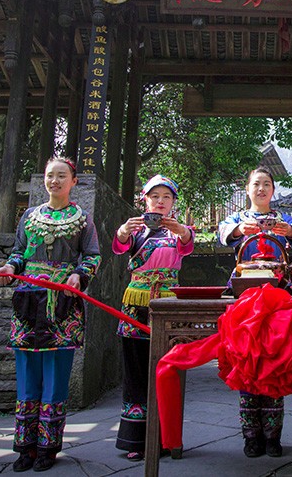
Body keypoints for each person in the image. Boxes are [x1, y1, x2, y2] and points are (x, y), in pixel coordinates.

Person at [0, 157, 101, 472]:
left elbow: (93, 255)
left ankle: (47, 447)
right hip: (28, 301)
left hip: (62, 305)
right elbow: (17, 252)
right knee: (28, 375)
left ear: (73, 181)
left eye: (61, 176)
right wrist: (10, 267)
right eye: (50, 176)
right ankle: (24, 446)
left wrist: (78, 275)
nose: (54, 181)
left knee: (55, 377)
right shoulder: (29, 216)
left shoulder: (82, 220)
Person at [218, 166, 292, 458]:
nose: (261, 189)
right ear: (247, 189)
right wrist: (238, 231)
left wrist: (290, 231)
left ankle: (273, 436)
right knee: (246, 361)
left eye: (266, 184)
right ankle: (251, 436)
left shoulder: (281, 219)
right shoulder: (238, 220)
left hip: (278, 299)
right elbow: (222, 234)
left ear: (273, 189)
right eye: (256, 184)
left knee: (276, 361)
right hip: (245, 300)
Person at [112, 174, 194, 462]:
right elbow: (119, 246)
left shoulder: (179, 231)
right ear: (144, 200)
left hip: (167, 303)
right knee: (135, 370)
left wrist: (182, 231)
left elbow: (187, 244)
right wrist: (123, 232)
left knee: (166, 369)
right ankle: (136, 438)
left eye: (166, 197)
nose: (160, 202)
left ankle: (166, 437)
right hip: (136, 301)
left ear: (173, 202)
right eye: (154, 196)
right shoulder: (134, 230)